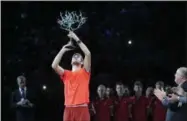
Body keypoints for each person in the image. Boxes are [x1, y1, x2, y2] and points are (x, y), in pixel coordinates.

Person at [51, 31, 91, 121]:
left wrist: (76, 38)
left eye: (78, 56)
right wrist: (63, 49)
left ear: (82, 62)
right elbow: (54, 65)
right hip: (68, 109)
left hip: (82, 109)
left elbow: (87, 53)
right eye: (74, 56)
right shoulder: (66, 74)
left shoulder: (85, 71)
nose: (76, 56)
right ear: (71, 61)